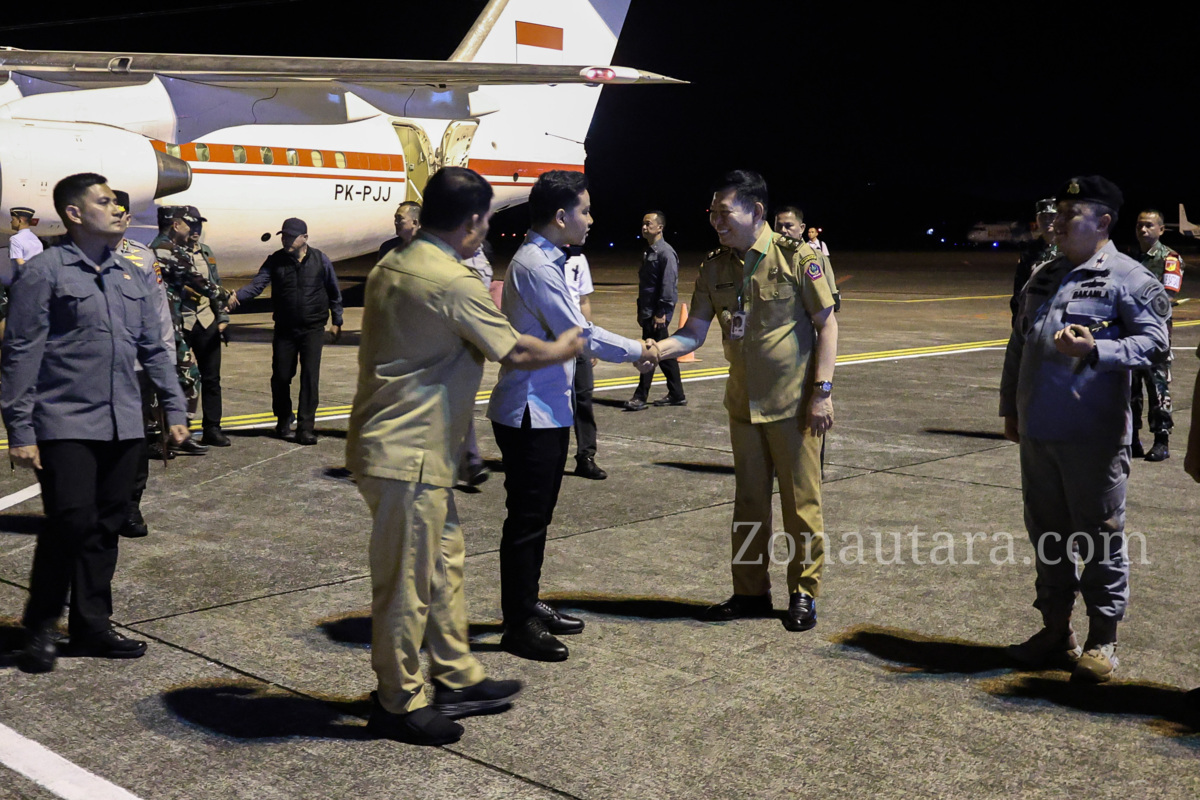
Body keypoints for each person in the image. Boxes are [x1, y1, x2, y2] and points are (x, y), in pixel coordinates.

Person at [346, 167, 582, 745]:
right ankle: (397, 701)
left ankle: (454, 674)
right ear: (474, 222)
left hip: (401, 444)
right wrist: (566, 345)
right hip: (410, 454)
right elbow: (515, 350)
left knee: (444, 564)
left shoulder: (392, 263)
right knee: (406, 582)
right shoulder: (452, 281)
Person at [1, 173, 190, 674]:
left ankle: (91, 626)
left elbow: (154, 346)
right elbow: (20, 353)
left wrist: (174, 408)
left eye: (116, 202)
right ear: (74, 213)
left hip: (123, 422)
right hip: (64, 421)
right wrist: (19, 430)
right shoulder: (45, 271)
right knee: (70, 521)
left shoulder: (130, 274)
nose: (117, 209)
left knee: (106, 525)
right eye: (104, 202)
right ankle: (40, 626)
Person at [650, 170, 838, 633]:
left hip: (795, 405)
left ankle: (803, 593)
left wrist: (823, 393)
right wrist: (653, 351)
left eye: (724, 212)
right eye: (711, 212)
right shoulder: (714, 267)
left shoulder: (798, 258)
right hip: (743, 405)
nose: (716, 221)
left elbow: (827, 326)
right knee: (748, 504)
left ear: (755, 212)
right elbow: (694, 332)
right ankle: (750, 592)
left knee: (802, 505)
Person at [1001, 175, 1170, 683]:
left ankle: (1102, 640)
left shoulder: (1130, 277)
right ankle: (1056, 632)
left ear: (1102, 221)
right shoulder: (1044, 274)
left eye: (1070, 212)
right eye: (1056, 210)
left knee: (1099, 540)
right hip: (1039, 431)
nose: (1056, 220)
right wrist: (1011, 409)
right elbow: (1018, 345)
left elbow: (1156, 344)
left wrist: (1098, 349)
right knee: (1047, 535)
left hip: (1093, 437)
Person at [486, 170, 651, 662]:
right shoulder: (537, 266)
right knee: (527, 521)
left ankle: (528, 603)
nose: (591, 218)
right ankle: (517, 624)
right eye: (585, 210)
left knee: (537, 517)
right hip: (529, 413)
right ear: (562, 217)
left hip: (545, 409)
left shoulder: (547, 259)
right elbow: (579, 334)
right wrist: (640, 350)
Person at [228, 217, 343, 445]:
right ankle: (283, 417)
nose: (286, 240)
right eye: (284, 236)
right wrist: (235, 297)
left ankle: (305, 427)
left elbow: (333, 291)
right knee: (281, 376)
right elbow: (257, 285)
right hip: (285, 328)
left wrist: (337, 320)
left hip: (312, 328)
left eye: (291, 236)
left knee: (310, 377)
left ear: (305, 238)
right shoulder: (276, 261)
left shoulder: (320, 260)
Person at [109, 191, 176, 539]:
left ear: (129, 219)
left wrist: (166, 364)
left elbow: (159, 314)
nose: (114, 219)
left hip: (133, 367)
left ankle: (130, 505)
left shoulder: (142, 257)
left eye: (120, 214)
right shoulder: (68, 258)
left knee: (134, 441)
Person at [152, 206, 230, 448]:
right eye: (188, 224)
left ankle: (177, 433)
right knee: (175, 379)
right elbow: (198, 280)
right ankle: (162, 435)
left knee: (193, 377)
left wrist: (221, 314)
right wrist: (226, 296)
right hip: (168, 326)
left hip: (182, 323)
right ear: (176, 225)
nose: (192, 229)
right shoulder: (166, 251)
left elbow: (208, 278)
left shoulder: (166, 249)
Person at [1129, 208, 1184, 461]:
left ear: (1161, 230)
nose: (1143, 230)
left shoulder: (1169, 258)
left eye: (1149, 225)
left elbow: (1168, 295)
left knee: (1158, 388)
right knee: (1130, 389)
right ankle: (1132, 440)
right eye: (1140, 225)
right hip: (1129, 334)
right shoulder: (1128, 257)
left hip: (1155, 335)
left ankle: (1161, 440)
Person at [624, 211, 686, 411]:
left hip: (657, 313)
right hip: (648, 311)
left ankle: (640, 397)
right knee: (664, 355)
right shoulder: (649, 251)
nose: (644, 227)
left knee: (648, 353)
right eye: (643, 224)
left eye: (648, 224)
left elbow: (668, 286)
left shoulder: (665, 253)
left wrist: (662, 312)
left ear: (660, 227)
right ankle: (677, 394)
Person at [564, 245, 607, 479]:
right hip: (553, 342)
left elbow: (583, 301)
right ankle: (552, 454)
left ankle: (586, 456)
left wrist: (589, 341)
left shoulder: (579, 258)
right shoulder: (538, 258)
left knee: (583, 398)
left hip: (578, 339)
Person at [776, 206, 839, 311]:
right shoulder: (766, 256)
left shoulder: (817, 257)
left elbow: (829, 290)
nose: (782, 230)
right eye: (779, 226)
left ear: (802, 228)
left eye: (788, 226)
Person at [1011, 198, 1059, 325]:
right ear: (1037, 220)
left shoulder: (1071, 249)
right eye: (1043, 216)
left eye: (1052, 216)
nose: (1048, 220)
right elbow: (1019, 291)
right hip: (1033, 318)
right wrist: (1018, 323)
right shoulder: (1029, 252)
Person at [3, 207, 43, 339]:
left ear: (20, 220)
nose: (11, 222)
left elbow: (20, 264)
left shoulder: (15, 240)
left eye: (13, 219)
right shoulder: (36, 240)